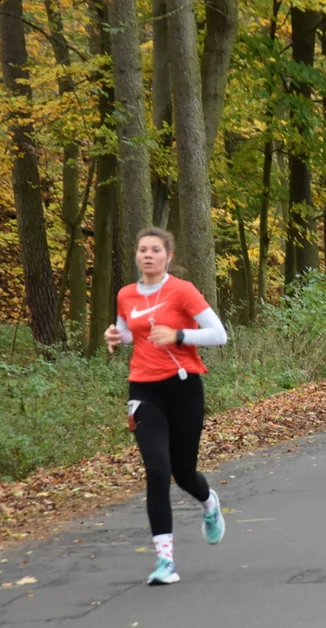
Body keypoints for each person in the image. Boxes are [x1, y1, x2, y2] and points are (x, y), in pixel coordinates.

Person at [104, 227, 228, 586]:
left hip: (184, 388)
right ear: (136, 255)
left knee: (184, 473)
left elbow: (219, 334)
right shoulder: (126, 294)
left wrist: (179, 335)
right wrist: (115, 337)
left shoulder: (182, 291)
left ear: (168, 256)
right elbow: (128, 332)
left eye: (155, 250)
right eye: (142, 249)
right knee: (157, 471)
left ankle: (209, 503)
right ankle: (165, 563)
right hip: (144, 389)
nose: (147, 255)